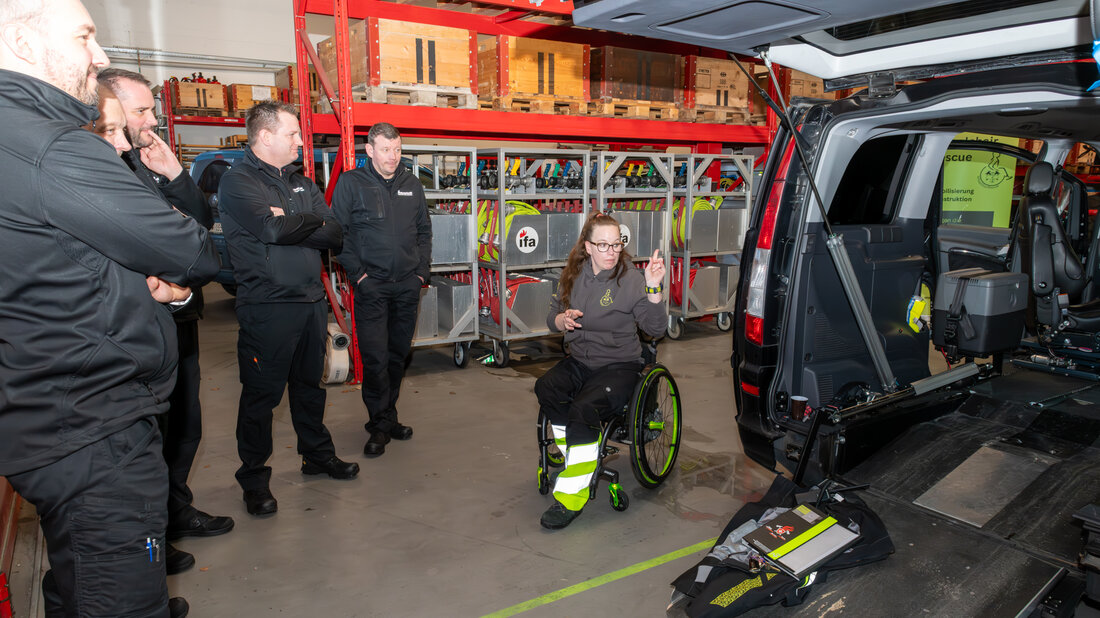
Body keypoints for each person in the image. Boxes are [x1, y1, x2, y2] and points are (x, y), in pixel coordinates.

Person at [0, 0, 220, 615]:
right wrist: (168, 275)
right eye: (84, 36)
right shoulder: (54, 149)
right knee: (120, 601)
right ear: (22, 44)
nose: (98, 56)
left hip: (44, 415)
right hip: (94, 430)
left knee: (78, 585)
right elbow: (193, 249)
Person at [97, 67, 235, 568]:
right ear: (108, 112)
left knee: (184, 428)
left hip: (180, 319)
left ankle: (175, 512)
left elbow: (198, 224)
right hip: (140, 326)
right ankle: (150, 539)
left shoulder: (149, 163)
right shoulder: (104, 168)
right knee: (146, 438)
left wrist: (176, 176)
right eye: (141, 111)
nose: (152, 120)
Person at [218, 100, 359, 517]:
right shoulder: (238, 181)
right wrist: (302, 222)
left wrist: (294, 219)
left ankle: (316, 456)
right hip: (268, 307)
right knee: (262, 397)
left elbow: (334, 234)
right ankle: (255, 479)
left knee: (309, 389)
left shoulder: (302, 183)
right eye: (293, 133)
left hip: (310, 304)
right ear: (265, 137)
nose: (300, 140)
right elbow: (270, 229)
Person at [534, 212, 667, 529]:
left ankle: (571, 497)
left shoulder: (632, 279)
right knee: (546, 387)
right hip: (581, 360)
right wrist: (562, 321)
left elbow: (655, 328)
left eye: (616, 245)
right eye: (603, 245)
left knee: (584, 407)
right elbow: (551, 317)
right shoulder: (573, 275)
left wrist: (653, 289)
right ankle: (579, 455)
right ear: (588, 246)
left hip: (620, 365)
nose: (611, 252)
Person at [332, 122, 432, 458]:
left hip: (406, 286)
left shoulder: (411, 185)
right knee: (375, 359)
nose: (393, 156)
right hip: (371, 287)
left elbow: (423, 232)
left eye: (397, 149)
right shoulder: (351, 183)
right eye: (386, 150)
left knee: (397, 356)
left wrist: (420, 274)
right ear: (370, 150)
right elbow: (339, 234)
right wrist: (359, 276)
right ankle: (378, 424)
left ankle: (388, 416)